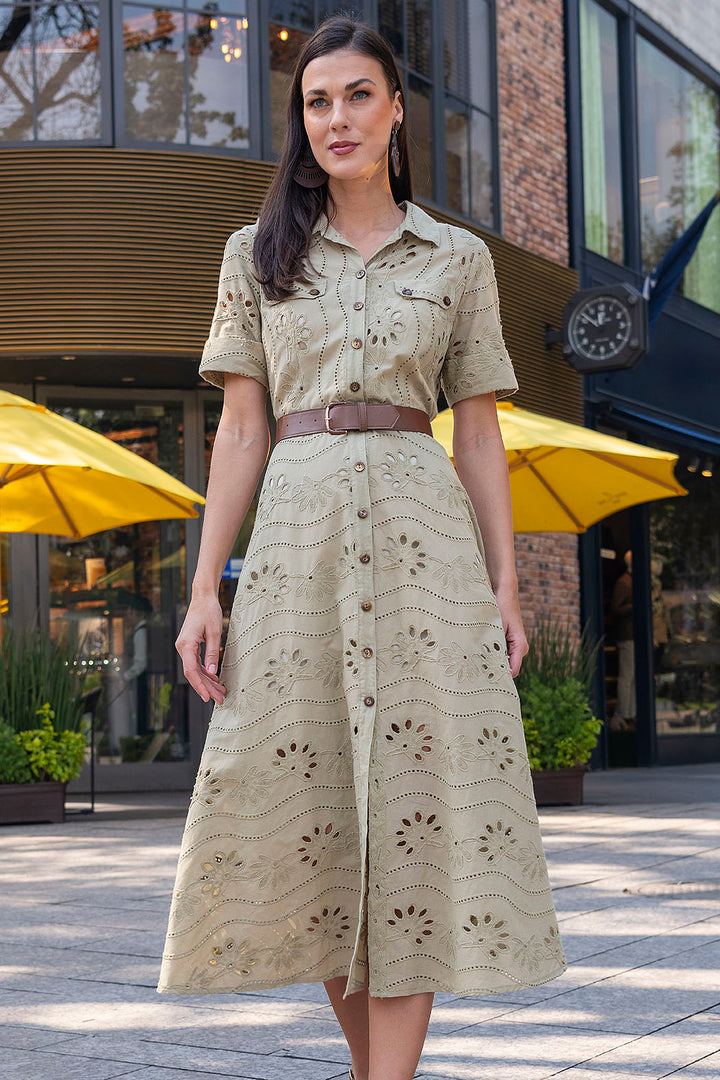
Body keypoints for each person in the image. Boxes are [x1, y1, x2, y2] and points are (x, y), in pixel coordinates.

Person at [158, 15, 566, 1080]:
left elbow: (477, 430)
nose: (335, 118)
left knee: (413, 816)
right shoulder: (254, 256)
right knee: (320, 825)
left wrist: (507, 582)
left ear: (395, 110)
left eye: (355, 96)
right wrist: (207, 589)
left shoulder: (459, 257)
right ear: (304, 122)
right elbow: (242, 430)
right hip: (297, 542)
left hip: (424, 534)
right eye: (315, 101)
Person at [611, 550, 635, 732]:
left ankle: (631, 712)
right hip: (627, 636)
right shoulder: (624, 582)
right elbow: (616, 608)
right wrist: (635, 606)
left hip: (634, 635)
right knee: (627, 676)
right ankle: (623, 713)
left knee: (633, 677)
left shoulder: (633, 581)